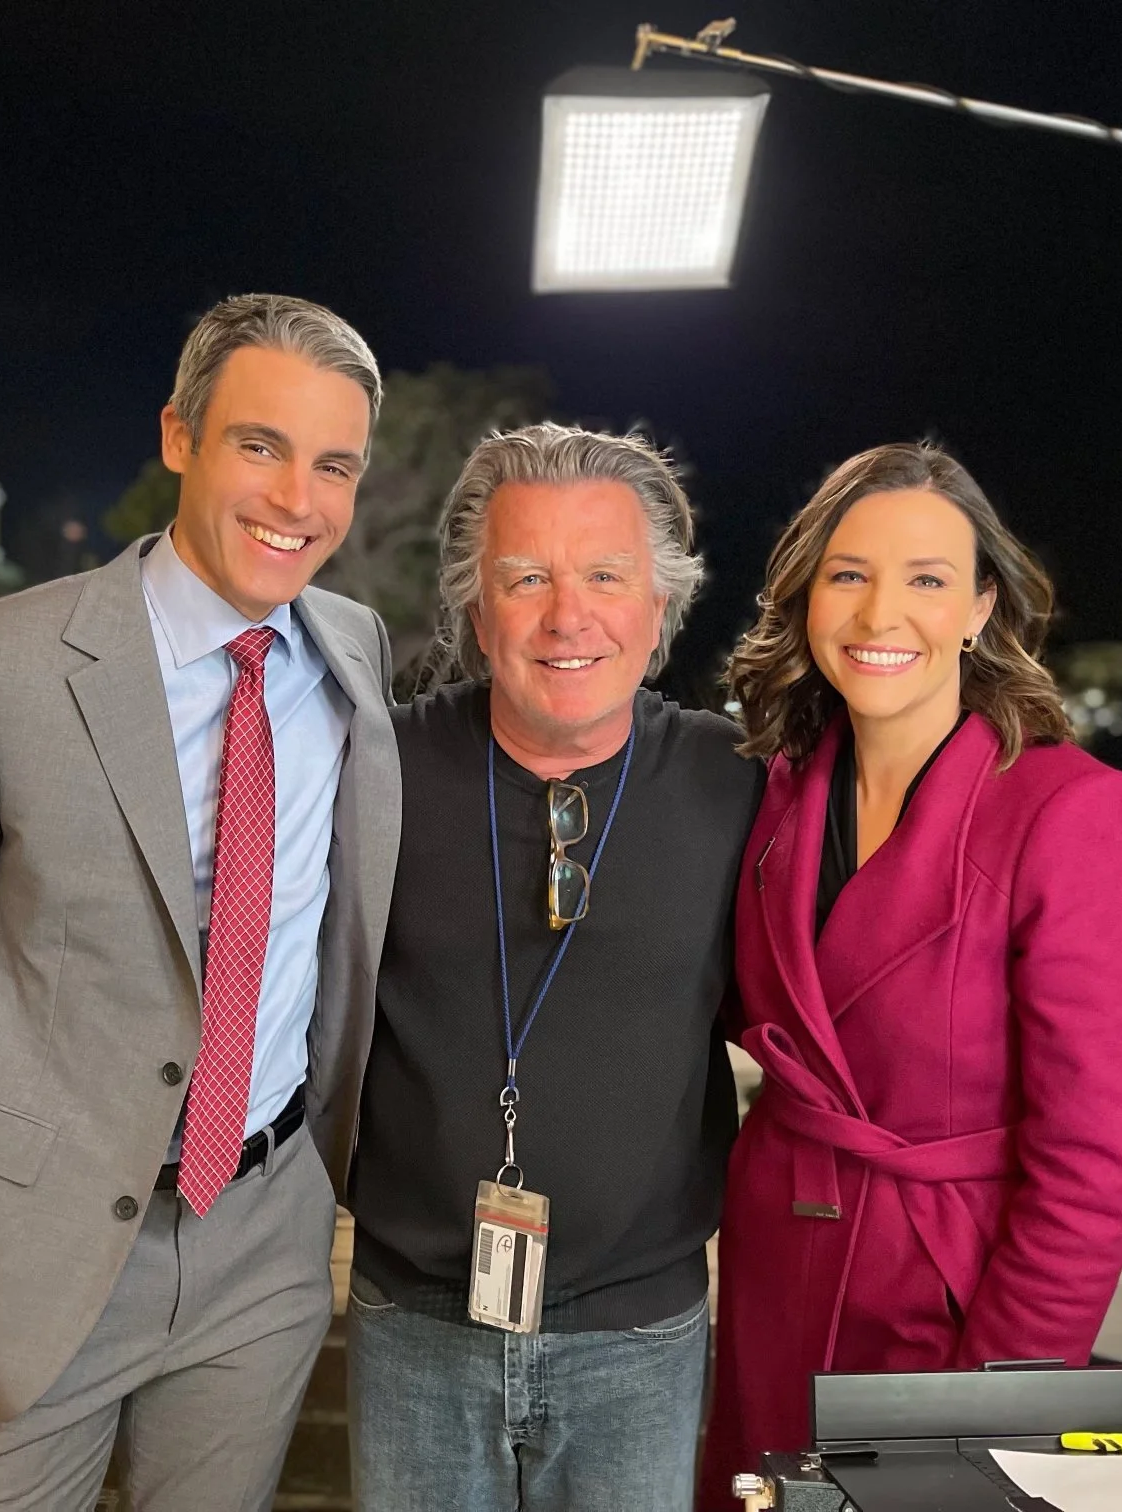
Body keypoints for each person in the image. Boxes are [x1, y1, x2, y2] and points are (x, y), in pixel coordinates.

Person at [0, 294, 401, 1512]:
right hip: (28, 1263)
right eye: (260, 445)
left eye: (333, 464)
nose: (298, 498)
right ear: (179, 437)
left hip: (266, 1242)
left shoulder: (353, 653)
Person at [702, 442, 1122, 1503]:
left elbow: (1089, 1175)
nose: (880, 616)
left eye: (925, 581)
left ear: (980, 608)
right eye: (849, 574)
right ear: (807, 595)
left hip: (950, 1309)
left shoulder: (1073, 812)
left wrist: (997, 1401)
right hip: (775, 1276)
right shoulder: (777, 795)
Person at [343, 423, 764, 1512]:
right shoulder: (374, 771)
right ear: (477, 609)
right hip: (414, 1324)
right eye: (526, 577)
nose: (567, 615)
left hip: (639, 1335)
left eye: (605, 577)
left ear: (660, 606)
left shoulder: (736, 785)